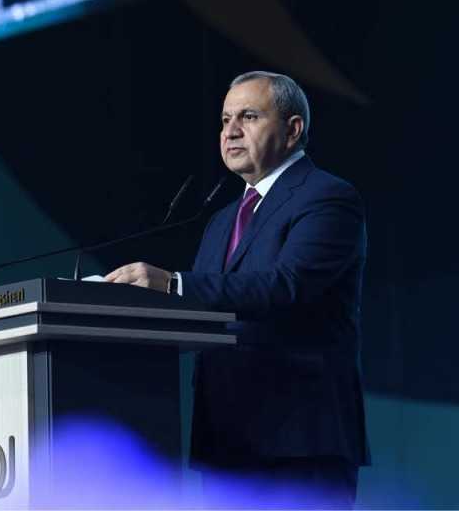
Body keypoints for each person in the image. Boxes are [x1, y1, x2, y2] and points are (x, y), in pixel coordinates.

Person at [105, 71, 368, 509]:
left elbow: (288, 285)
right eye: (226, 119)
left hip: (299, 441)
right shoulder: (221, 221)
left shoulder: (327, 198)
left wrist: (172, 283)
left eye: (248, 116)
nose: (230, 131)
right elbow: (201, 312)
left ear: (293, 129)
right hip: (226, 443)